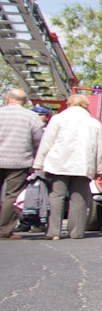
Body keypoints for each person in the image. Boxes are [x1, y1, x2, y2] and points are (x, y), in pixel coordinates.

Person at [32, 94, 102, 240]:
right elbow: (99, 148)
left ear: (69, 104)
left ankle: (54, 232)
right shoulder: (94, 123)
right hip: (83, 165)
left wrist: (38, 162)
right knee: (79, 199)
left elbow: (47, 141)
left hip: (59, 162)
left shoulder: (58, 118)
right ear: (85, 106)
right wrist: (99, 169)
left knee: (56, 196)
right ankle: (76, 232)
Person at [0, 89, 45, 240]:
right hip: (19, 160)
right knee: (11, 195)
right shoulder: (31, 116)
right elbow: (39, 140)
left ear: (7, 99)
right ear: (25, 102)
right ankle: (4, 230)